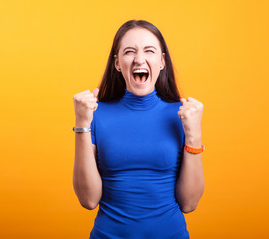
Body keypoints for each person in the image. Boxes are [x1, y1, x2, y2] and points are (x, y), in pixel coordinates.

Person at [72, 20, 205, 239]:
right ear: (117, 63)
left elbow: (189, 203)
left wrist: (194, 135)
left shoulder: (183, 115)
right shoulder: (94, 114)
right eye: (129, 52)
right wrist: (82, 124)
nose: (139, 59)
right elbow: (88, 200)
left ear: (162, 61)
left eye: (149, 51)